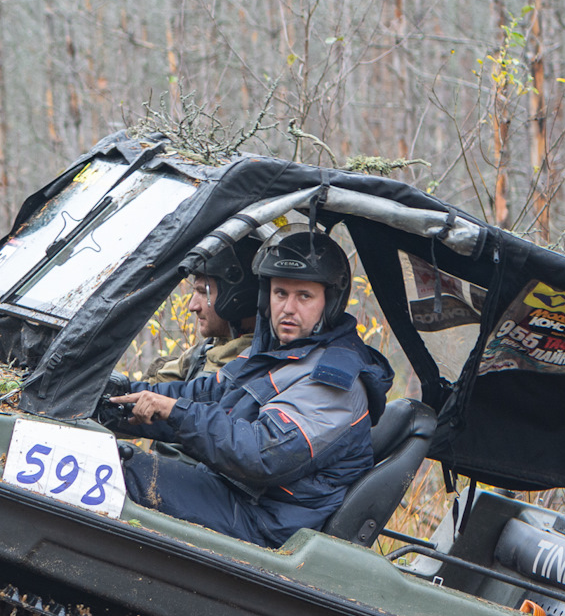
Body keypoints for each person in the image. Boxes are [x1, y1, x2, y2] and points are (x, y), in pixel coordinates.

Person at [111, 230, 393, 547]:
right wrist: (115, 398)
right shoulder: (281, 352)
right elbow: (208, 394)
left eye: (304, 296)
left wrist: (175, 413)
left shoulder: (334, 380)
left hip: (264, 524)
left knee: (122, 475)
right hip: (235, 493)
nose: (288, 308)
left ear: (330, 303)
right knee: (109, 458)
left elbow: (261, 455)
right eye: (280, 293)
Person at [142, 235, 262, 383]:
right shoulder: (210, 349)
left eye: (203, 292)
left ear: (236, 298)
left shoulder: (252, 368)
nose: (192, 306)